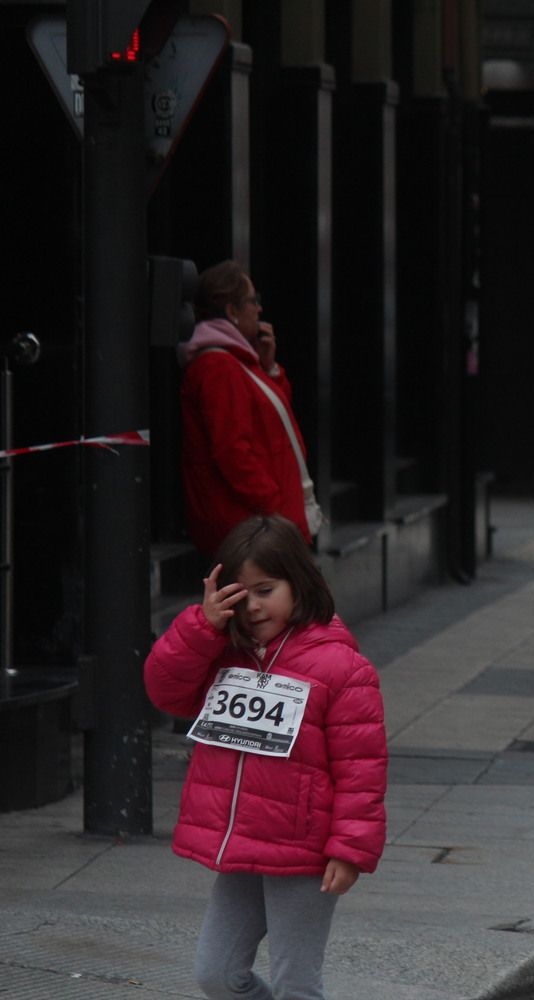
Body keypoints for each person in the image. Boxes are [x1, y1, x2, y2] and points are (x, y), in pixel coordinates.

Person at [143, 515, 386, 1000]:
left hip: (303, 849)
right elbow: (165, 690)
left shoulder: (342, 667)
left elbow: (361, 768)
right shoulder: (222, 653)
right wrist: (200, 626)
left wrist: (349, 849)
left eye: (266, 589)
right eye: (241, 592)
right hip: (242, 845)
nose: (253, 606)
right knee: (217, 974)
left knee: (296, 983)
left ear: (299, 583)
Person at [179, 261, 322, 557]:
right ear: (232, 311)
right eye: (252, 301)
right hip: (252, 527)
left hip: (260, 523)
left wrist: (268, 367)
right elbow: (234, 451)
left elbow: (275, 425)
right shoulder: (219, 367)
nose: (258, 309)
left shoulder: (236, 362)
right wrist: (275, 507)